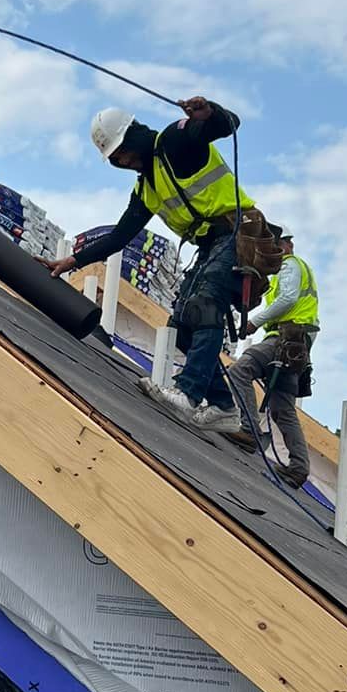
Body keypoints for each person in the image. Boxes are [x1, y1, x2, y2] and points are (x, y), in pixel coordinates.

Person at [49, 97, 256, 428]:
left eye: (123, 152)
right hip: (211, 244)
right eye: (116, 160)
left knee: (203, 304)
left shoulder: (174, 143)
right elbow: (119, 236)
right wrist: (71, 261)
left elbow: (226, 126)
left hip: (238, 232)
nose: (125, 161)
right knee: (183, 329)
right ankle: (224, 409)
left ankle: (188, 395)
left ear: (133, 135)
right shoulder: (147, 187)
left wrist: (211, 114)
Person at [225, 234, 319, 487]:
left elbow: (287, 299)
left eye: (273, 246)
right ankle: (299, 468)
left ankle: (249, 431)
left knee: (240, 370)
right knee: (282, 408)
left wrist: (255, 321)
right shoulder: (297, 268)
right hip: (297, 345)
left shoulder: (289, 264)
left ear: (285, 246)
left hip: (286, 337)